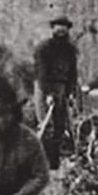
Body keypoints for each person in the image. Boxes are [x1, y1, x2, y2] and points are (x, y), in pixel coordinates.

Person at [33, 14, 78, 169]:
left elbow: (73, 73)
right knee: (46, 127)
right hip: (43, 88)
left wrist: (70, 92)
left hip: (62, 89)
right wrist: (48, 94)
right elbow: (41, 73)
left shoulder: (70, 50)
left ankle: (54, 164)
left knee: (60, 127)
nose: (61, 30)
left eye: (64, 27)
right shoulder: (43, 48)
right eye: (58, 27)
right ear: (53, 29)